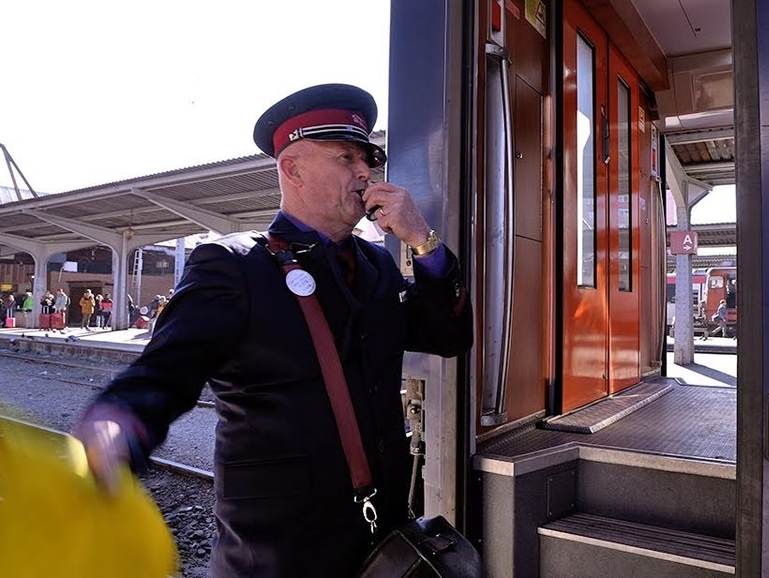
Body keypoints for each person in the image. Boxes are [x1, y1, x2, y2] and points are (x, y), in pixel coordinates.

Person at [73, 83, 473, 577]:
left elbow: (449, 337)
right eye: (345, 157)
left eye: (368, 158)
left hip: (382, 541)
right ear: (293, 169)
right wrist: (113, 432)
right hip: (280, 552)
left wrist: (424, 243)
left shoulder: (376, 264)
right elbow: (163, 373)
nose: (365, 171)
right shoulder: (235, 264)